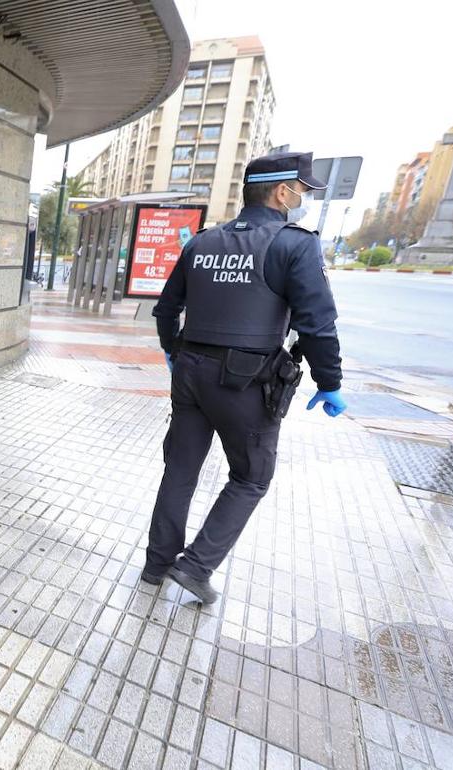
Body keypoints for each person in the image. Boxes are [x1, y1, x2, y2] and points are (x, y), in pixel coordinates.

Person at [146, 151, 348, 604]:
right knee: (251, 476)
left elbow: (165, 310)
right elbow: (317, 323)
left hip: (191, 373)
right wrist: (330, 382)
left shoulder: (202, 242)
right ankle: (195, 567)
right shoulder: (295, 244)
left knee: (180, 469)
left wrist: (173, 353)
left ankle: (156, 564)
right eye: (303, 190)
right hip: (248, 383)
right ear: (283, 191)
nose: (304, 199)